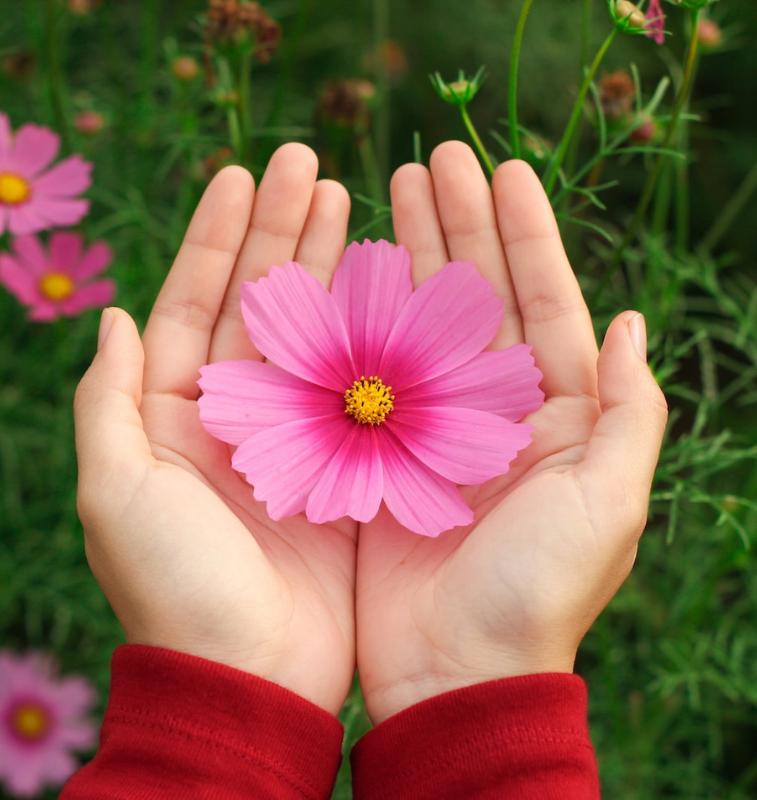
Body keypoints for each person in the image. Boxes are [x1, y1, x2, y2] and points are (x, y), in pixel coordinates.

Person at [63, 141, 668, 799]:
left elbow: (499, 397)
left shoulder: (432, 415)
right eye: (366, 391)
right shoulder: (330, 405)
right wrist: (487, 688)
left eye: (372, 393)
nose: (369, 397)